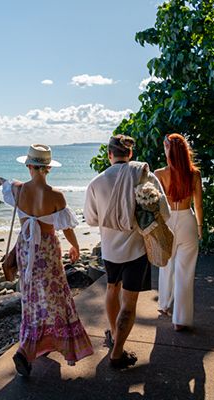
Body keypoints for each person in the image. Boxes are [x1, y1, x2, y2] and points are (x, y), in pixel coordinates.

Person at [0, 144, 93, 377]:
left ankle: (34, 342)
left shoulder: (16, 190)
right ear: (48, 168)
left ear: (29, 166)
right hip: (47, 249)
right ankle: (33, 347)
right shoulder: (56, 195)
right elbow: (65, 227)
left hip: (26, 249)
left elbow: (7, 183)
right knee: (55, 296)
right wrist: (75, 246)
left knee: (32, 298)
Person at [84, 135, 170, 369]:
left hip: (110, 250)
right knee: (129, 304)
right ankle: (117, 352)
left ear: (109, 154)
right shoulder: (144, 175)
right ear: (130, 154)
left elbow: (91, 219)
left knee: (112, 288)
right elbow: (165, 212)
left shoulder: (96, 182)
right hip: (136, 250)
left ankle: (113, 335)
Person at [154, 133, 203, 332]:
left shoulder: (159, 174)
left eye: (165, 146)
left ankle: (164, 305)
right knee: (185, 272)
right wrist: (200, 227)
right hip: (187, 220)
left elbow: (156, 205)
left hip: (168, 221)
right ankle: (180, 320)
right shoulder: (195, 174)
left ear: (169, 150)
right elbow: (198, 205)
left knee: (166, 265)